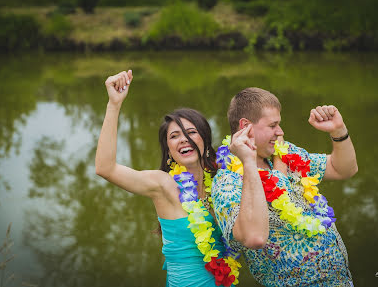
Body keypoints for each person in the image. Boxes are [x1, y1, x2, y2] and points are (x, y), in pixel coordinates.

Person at [95, 70, 258, 287]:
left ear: (205, 140)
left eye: (191, 132)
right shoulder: (164, 185)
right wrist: (113, 105)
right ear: (169, 149)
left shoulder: (223, 181)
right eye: (174, 136)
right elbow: (105, 168)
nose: (183, 139)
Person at [211, 87, 358, 287]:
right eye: (273, 125)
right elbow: (254, 237)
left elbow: (343, 169)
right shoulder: (227, 181)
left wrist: (338, 131)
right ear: (246, 127)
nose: (280, 132)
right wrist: (248, 161)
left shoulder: (286, 154)